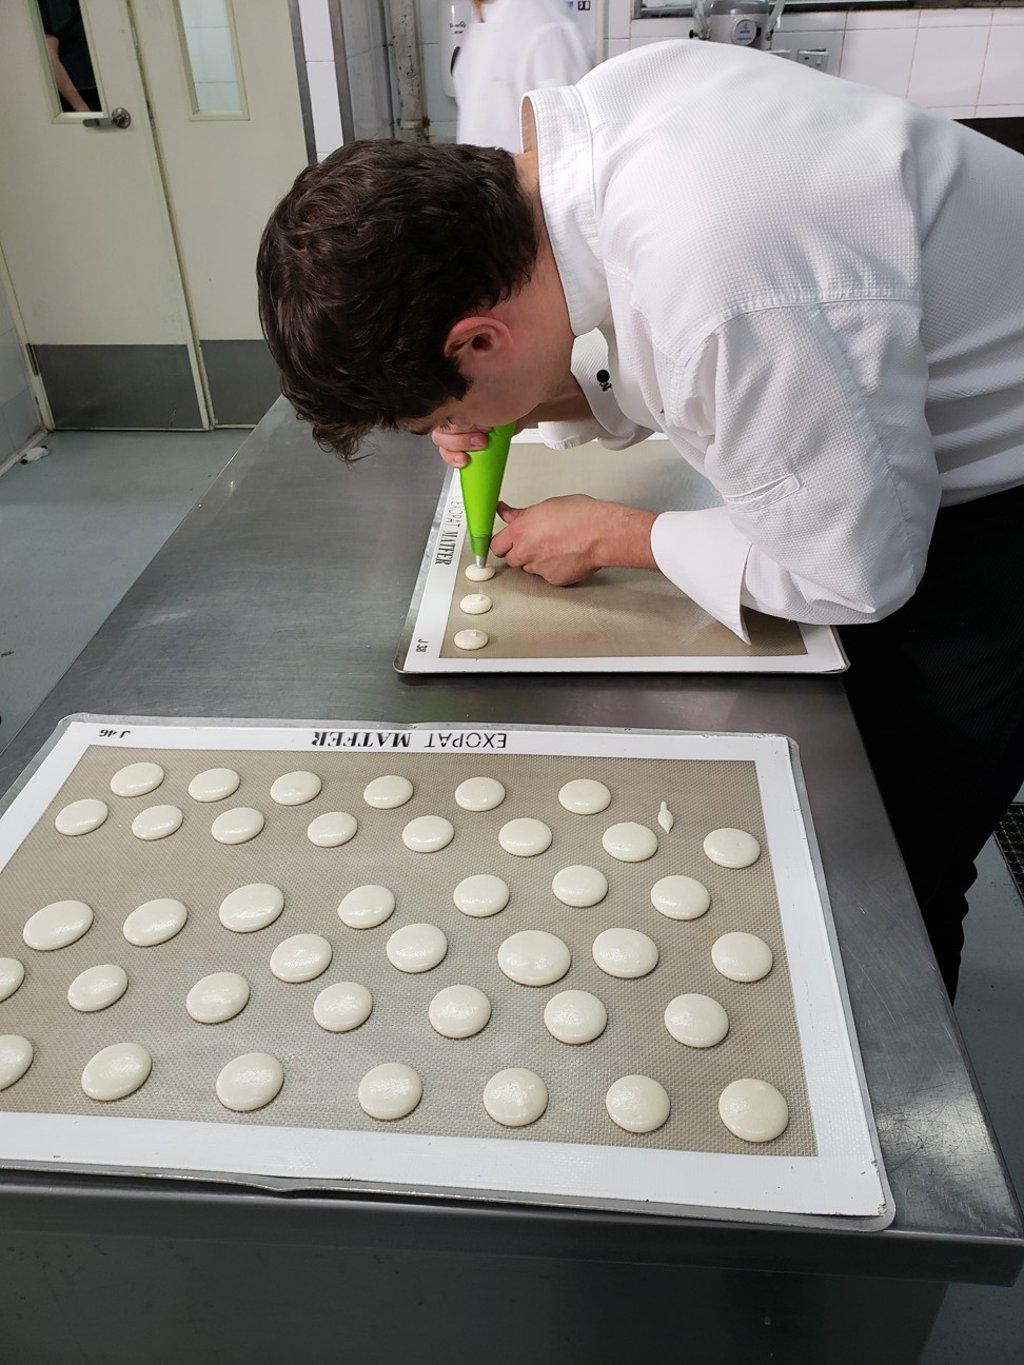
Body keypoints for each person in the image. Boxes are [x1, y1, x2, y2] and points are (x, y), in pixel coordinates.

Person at [257, 40, 1024, 997]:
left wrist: (620, 534)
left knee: (898, 854)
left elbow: (852, 570)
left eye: (447, 414)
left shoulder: (720, 280)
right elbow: (668, 340)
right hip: (922, 386)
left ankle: (900, 1064)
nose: (463, 436)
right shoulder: (602, 141)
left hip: (1006, 502)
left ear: (479, 337)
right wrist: (542, 397)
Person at [454, 0, 592, 153]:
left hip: (512, 168)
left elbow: (569, 143)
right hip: (479, 166)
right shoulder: (480, 22)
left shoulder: (546, 26)